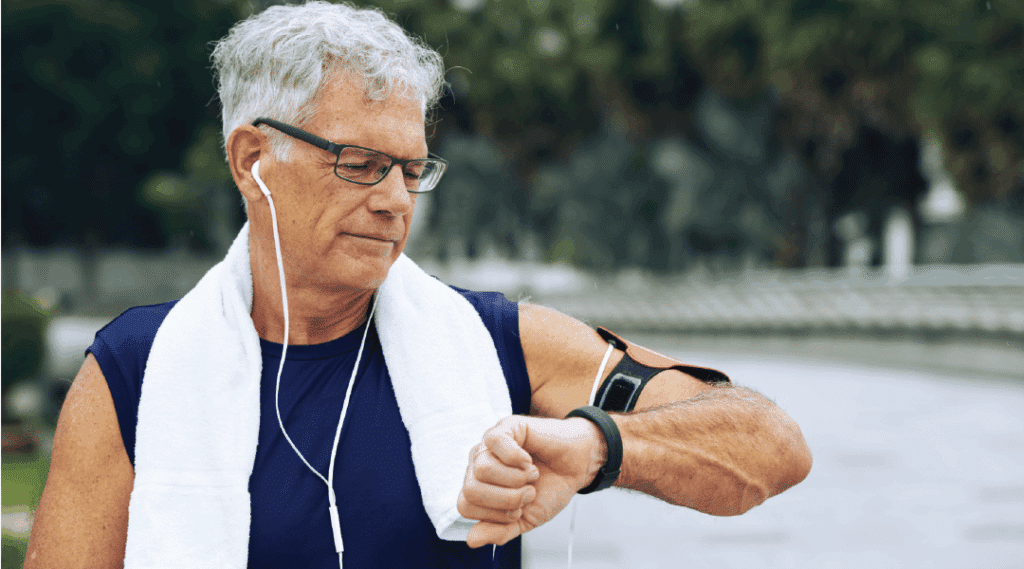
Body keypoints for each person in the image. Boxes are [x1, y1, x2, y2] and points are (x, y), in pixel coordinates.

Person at [25, 2, 812, 568]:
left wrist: (593, 445)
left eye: (410, 169)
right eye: (360, 164)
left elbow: (770, 444)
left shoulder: (503, 345)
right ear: (251, 159)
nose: (396, 199)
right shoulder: (135, 370)